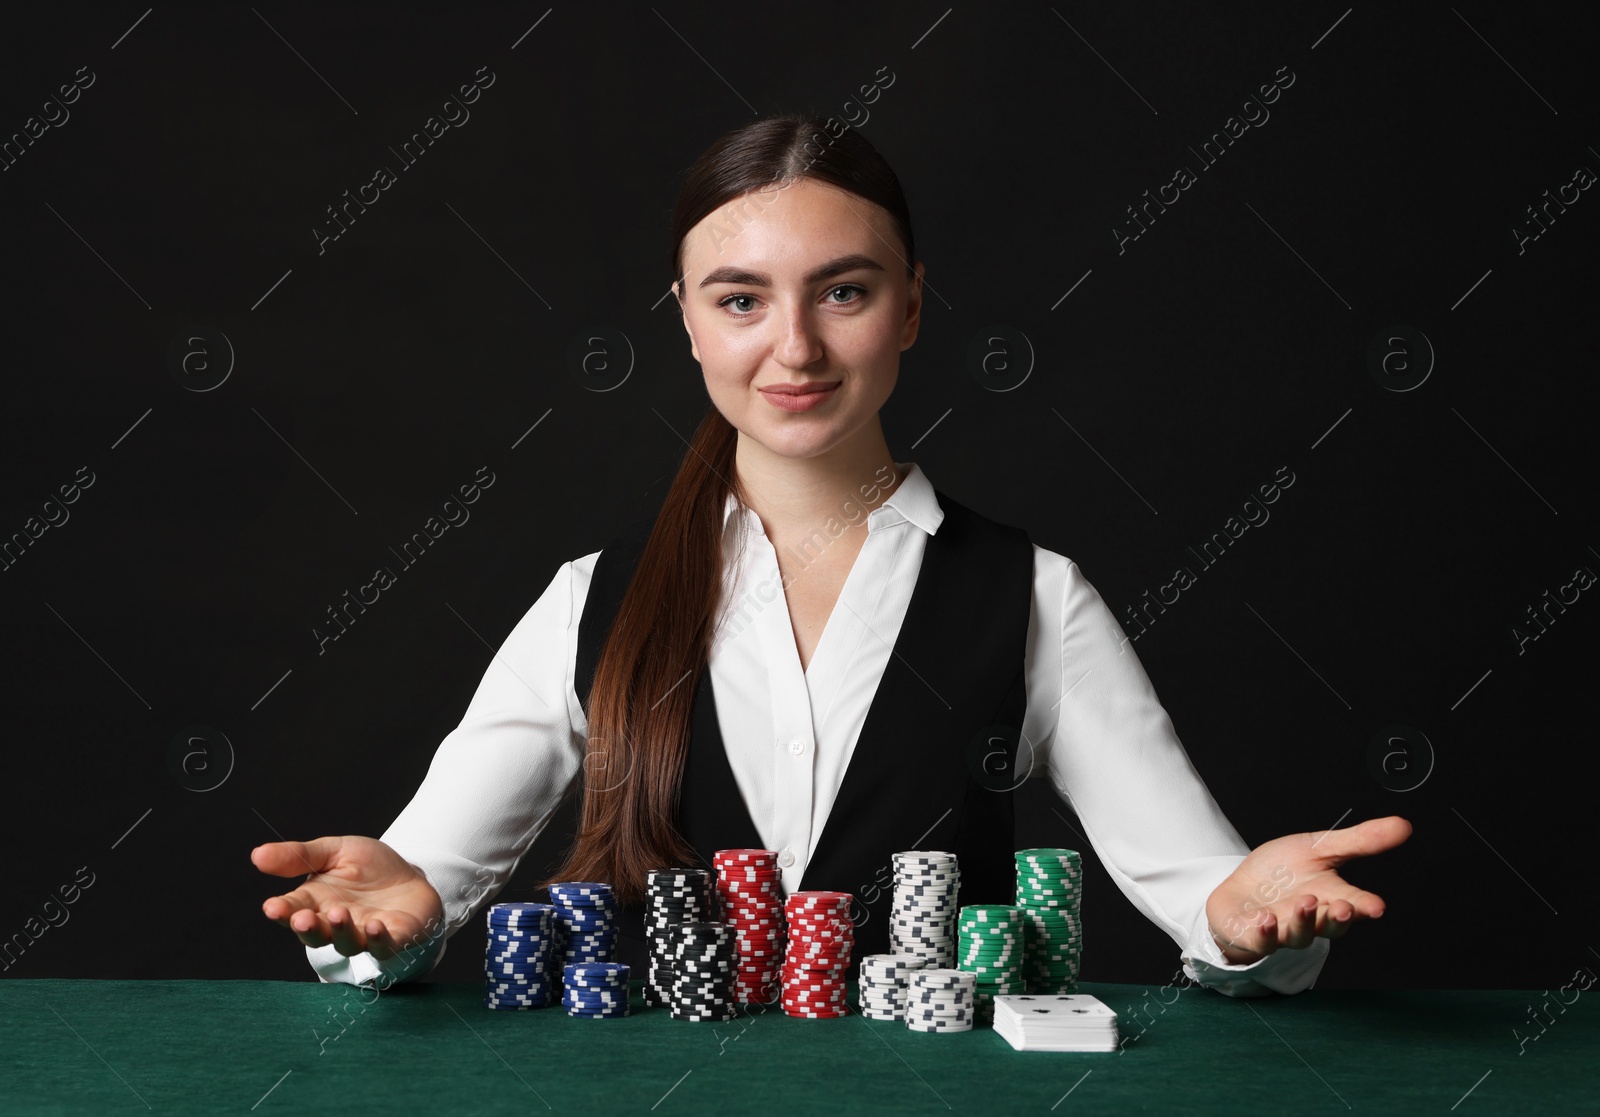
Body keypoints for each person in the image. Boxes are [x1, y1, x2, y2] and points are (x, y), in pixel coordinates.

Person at [253, 113, 1410, 998]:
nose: (793, 346)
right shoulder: (585, 604)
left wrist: (1253, 921)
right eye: (741, 299)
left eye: (843, 291)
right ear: (690, 321)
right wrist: (382, 924)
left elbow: (1209, 898)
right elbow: (413, 894)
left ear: (910, 307)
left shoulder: (1032, 596)